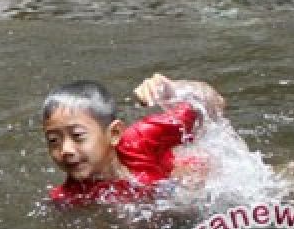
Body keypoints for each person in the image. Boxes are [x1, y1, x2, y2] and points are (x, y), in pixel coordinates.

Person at [42, 73, 226, 206]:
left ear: (114, 134)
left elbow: (214, 105)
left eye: (77, 136)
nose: (65, 149)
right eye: (53, 141)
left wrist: (174, 91)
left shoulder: (142, 139)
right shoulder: (68, 198)